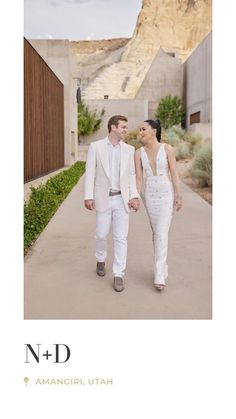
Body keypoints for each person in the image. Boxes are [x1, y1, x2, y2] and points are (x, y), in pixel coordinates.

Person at [84, 115, 140, 292]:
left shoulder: (129, 150)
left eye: (126, 127)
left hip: (122, 199)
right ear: (113, 127)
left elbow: (131, 175)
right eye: (123, 127)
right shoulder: (96, 147)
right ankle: (100, 259)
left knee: (121, 237)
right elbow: (90, 172)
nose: (126, 130)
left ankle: (118, 274)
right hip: (103, 198)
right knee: (101, 234)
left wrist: (134, 195)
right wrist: (88, 195)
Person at [134, 119, 182, 291]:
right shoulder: (138, 153)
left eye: (143, 129)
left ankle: (159, 275)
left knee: (161, 231)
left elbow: (175, 174)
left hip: (166, 194)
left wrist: (178, 195)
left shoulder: (167, 149)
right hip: (149, 196)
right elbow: (139, 179)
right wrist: (136, 196)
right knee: (157, 233)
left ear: (154, 131)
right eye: (139, 129)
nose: (140, 132)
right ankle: (162, 267)